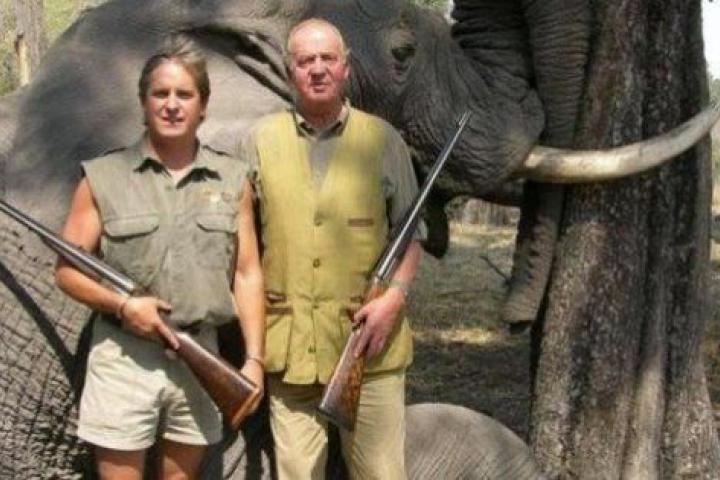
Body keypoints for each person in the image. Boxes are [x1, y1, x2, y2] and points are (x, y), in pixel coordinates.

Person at [55, 39, 265, 480]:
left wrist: (254, 359)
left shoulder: (233, 179)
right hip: (124, 359)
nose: (172, 105)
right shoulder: (103, 177)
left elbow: (247, 274)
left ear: (203, 106)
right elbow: (67, 272)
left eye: (184, 94)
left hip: (201, 356)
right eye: (160, 93)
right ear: (144, 103)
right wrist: (123, 306)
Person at [240, 18, 423, 479]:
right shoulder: (259, 140)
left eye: (327, 58)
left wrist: (394, 300)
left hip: (370, 348)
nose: (317, 69)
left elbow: (410, 237)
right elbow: (243, 247)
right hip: (291, 351)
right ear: (290, 71)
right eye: (306, 61)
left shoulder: (384, 141)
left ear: (346, 67)